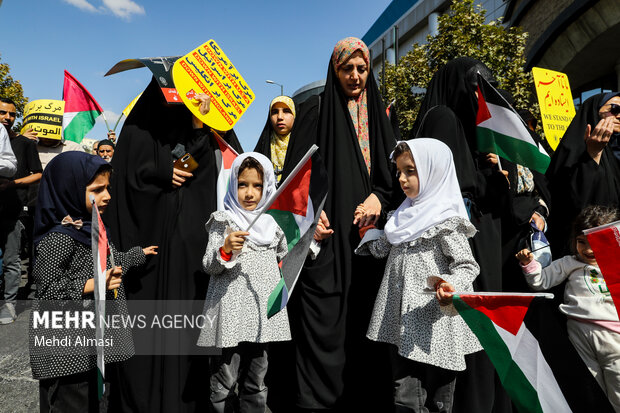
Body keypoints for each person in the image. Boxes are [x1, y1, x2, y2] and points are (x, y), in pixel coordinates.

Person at [105, 79, 243, 413]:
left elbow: (199, 171)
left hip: (187, 263)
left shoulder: (199, 135)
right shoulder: (139, 132)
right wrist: (157, 171)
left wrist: (199, 125)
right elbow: (127, 180)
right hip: (145, 266)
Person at [276, 37, 398, 411]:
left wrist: (379, 195)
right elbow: (295, 179)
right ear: (336, 70)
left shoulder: (377, 115)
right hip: (326, 244)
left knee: (367, 323)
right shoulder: (316, 111)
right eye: (348, 69)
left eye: (362, 69)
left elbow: (396, 174)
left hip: (367, 245)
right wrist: (313, 214)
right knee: (323, 325)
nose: (356, 76)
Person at [411, 57, 512, 412]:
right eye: (473, 86)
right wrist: (486, 174)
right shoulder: (443, 119)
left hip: (483, 240)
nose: (478, 96)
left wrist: (494, 169)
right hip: (461, 244)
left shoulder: (476, 131)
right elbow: (450, 186)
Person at [357, 138, 481, 412]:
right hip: (402, 321)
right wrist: (367, 230)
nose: (402, 179)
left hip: (435, 322)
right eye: (399, 172)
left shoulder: (446, 221)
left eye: (410, 171)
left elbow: (467, 265)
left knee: (439, 398)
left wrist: (451, 284)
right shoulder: (400, 218)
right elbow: (381, 249)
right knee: (405, 396)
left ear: (432, 171)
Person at [29, 151, 157, 412]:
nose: (107, 195)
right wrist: (95, 284)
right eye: (97, 189)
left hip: (91, 344)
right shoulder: (60, 238)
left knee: (95, 400)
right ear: (70, 189)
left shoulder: (91, 227)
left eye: (107, 188)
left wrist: (135, 256)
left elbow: (105, 263)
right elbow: (47, 291)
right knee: (71, 402)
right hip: (68, 352)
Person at [197, 152, 289, 412]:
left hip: (261, 317)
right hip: (230, 316)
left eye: (257, 186)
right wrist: (226, 248)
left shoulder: (274, 224)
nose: (249, 193)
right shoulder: (223, 220)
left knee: (257, 381)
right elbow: (209, 265)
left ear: (268, 186)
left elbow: (286, 253)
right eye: (242, 184)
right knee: (224, 383)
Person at [516, 205, 620, 411]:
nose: (588, 250)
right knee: (591, 392)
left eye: (595, 243)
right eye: (582, 242)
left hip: (614, 338)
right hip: (578, 333)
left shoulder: (616, 263)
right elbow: (541, 282)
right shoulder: (568, 263)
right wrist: (530, 264)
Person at [546, 92, 620, 256]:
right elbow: (574, 201)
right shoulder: (570, 150)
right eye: (614, 109)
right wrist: (592, 156)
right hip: (582, 253)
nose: (619, 115)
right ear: (593, 110)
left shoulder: (615, 154)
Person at [0, 97, 43, 325]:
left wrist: (12, 184)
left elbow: (38, 173)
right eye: (2, 113)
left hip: (12, 210)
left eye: (12, 114)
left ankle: (9, 304)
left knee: (12, 259)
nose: (8, 118)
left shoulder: (24, 144)